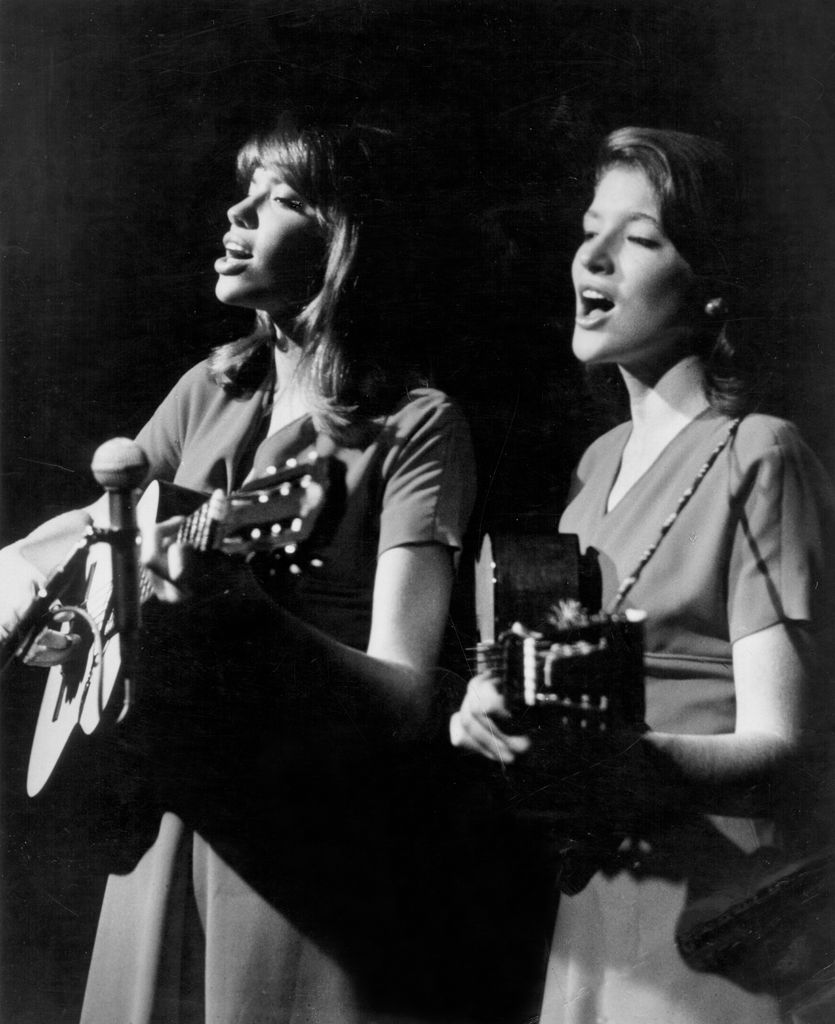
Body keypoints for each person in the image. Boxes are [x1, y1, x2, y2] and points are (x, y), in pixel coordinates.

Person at [0, 115, 476, 1023]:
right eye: (242, 191)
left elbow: (411, 699)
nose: (237, 212)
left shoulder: (416, 426)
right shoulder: (208, 387)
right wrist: (41, 595)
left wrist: (252, 619)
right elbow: (97, 534)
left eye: (281, 199)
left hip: (304, 843)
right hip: (168, 812)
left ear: (346, 242)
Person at [452, 127, 835, 1023]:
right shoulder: (592, 469)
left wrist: (623, 763)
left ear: (713, 295)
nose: (590, 255)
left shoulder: (757, 454)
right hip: (598, 897)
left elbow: (788, 746)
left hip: (719, 911)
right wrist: (489, 711)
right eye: (591, 228)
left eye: (640, 237)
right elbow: (556, 690)